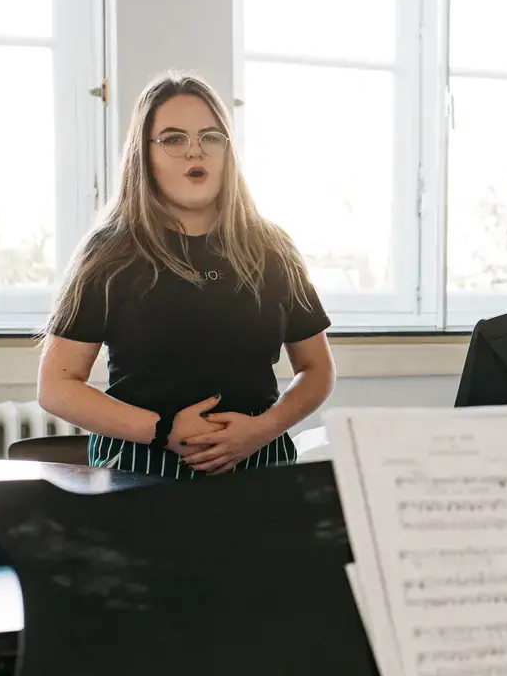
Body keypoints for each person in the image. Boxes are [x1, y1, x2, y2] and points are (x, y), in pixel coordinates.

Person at [39, 71, 335, 477]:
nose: (195, 151)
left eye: (210, 137)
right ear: (144, 155)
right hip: (140, 466)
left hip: (259, 463)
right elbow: (56, 386)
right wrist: (163, 431)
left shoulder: (272, 248)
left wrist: (262, 430)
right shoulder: (109, 252)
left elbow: (318, 369)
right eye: (174, 139)